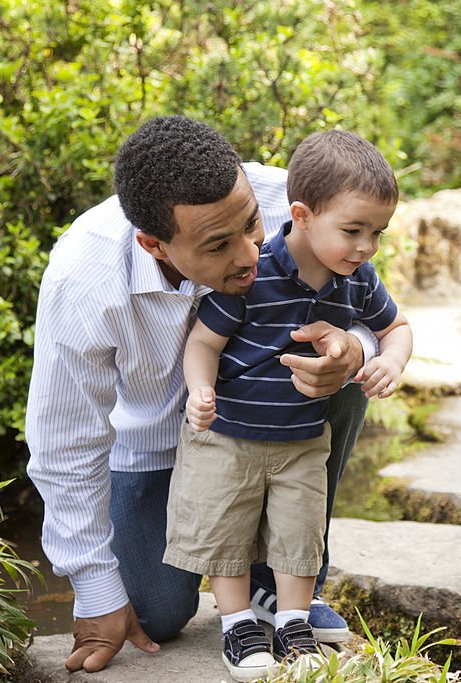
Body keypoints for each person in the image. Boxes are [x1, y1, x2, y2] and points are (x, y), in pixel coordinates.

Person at [25, 116, 380, 673]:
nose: (248, 254)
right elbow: (64, 441)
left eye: (251, 225)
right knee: (157, 613)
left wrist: (356, 349)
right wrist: (94, 588)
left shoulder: (294, 200)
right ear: (154, 245)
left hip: (272, 427)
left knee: (342, 370)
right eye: (218, 244)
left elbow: (373, 309)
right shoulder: (84, 277)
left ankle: (275, 581)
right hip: (152, 452)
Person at [164, 130, 412, 681]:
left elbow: (395, 326)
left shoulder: (357, 281)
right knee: (226, 527)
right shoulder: (254, 274)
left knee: (300, 532)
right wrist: (200, 388)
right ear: (301, 214)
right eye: (353, 231)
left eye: (378, 233)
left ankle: (294, 623)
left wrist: (390, 361)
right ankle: (237, 625)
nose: (367, 247)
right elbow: (204, 343)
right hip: (229, 434)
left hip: (302, 439)